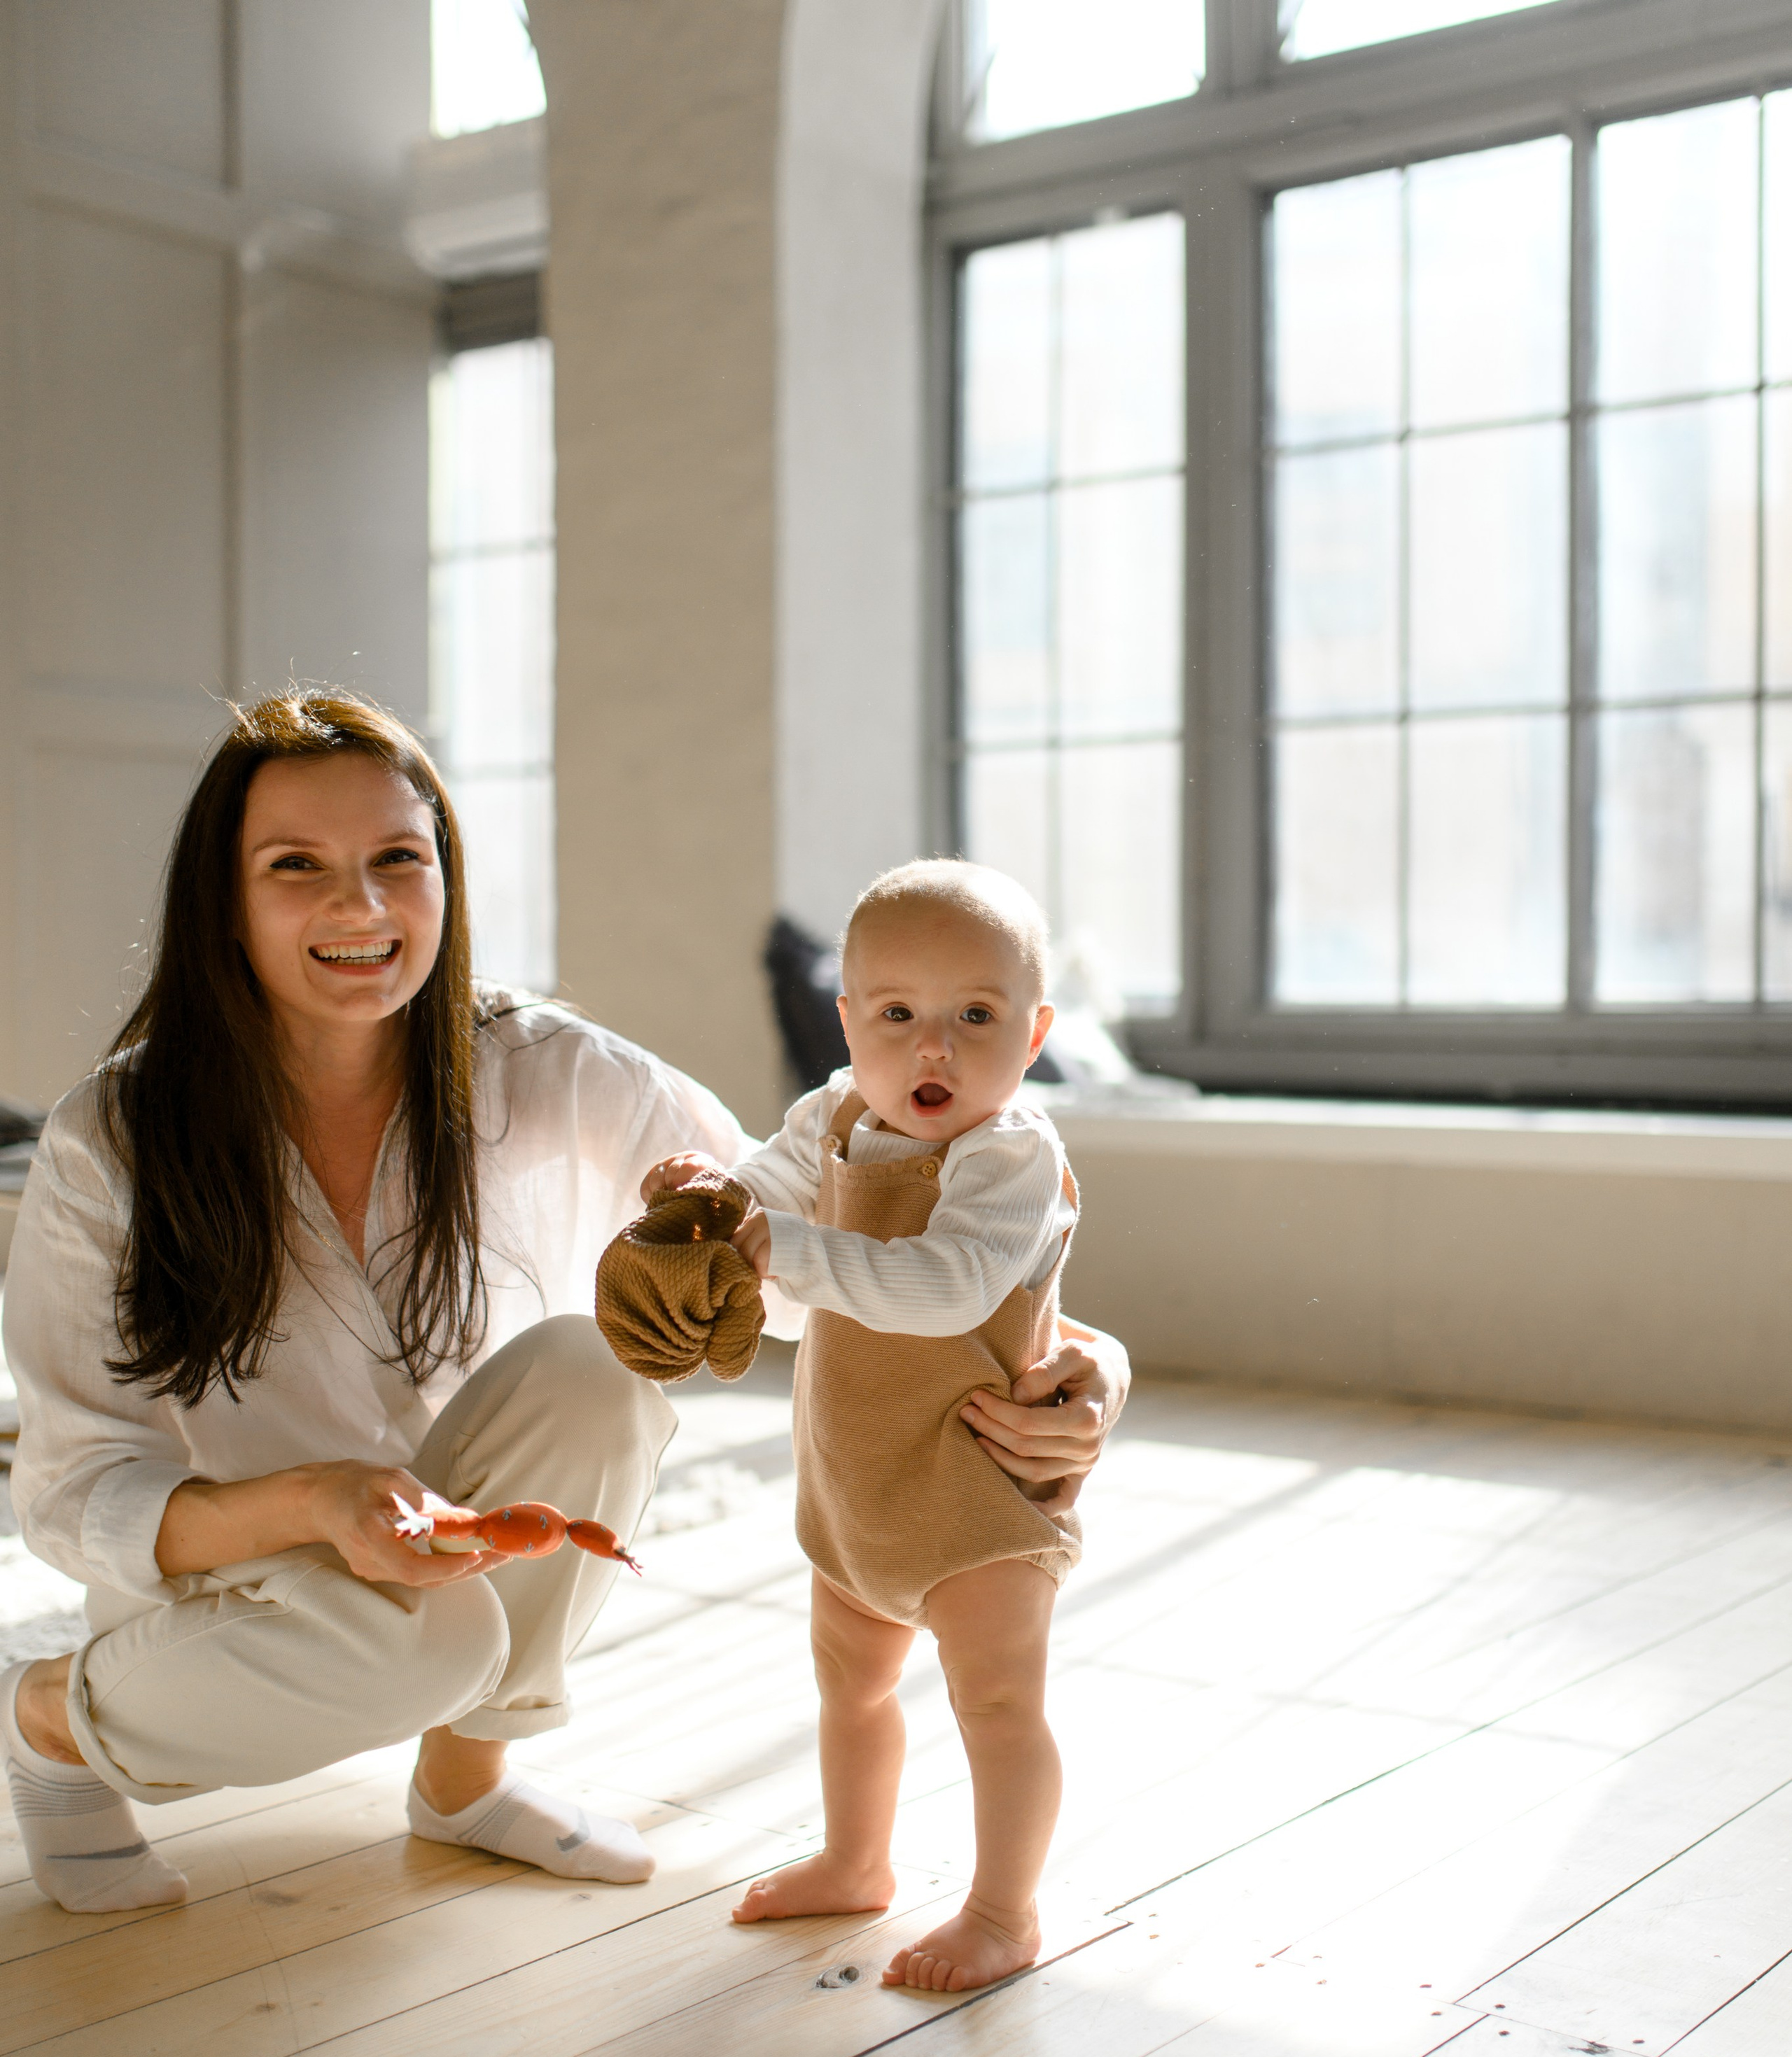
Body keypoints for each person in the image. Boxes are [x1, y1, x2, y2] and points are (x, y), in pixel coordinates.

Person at [1, 696, 1129, 1914]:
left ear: (446, 877)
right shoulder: (111, 1138)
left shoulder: (546, 1064)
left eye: (398, 860)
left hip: (453, 1536)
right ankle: (50, 1723)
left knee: (597, 1370)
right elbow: (71, 1501)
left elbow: (784, 1247)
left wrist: (1082, 1357)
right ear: (223, 898)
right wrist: (312, 1505)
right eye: (295, 868)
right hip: (229, 1570)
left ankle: (463, 1781)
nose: (361, 908)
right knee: (433, 1642)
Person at [637, 860, 1092, 1995]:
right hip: (858, 1483)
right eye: (897, 1016)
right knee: (849, 1685)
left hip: (973, 1485)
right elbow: (768, 1186)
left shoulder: (1011, 1158)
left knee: (995, 1702)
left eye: (973, 1018)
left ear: (1033, 1033)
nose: (931, 1051)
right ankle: (856, 1859)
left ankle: (1002, 1911)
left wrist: (781, 1250)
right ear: (849, 1022)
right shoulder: (833, 1113)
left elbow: (946, 1284)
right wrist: (717, 1198)